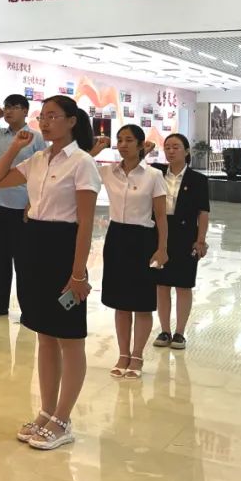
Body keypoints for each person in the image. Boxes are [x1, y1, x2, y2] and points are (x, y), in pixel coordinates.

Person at [0, 95, 101, 450]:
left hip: (64, 248)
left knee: (70, 337)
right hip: (33, 245)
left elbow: (85, 223)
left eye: (53, 116)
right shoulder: (37, 159)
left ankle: (63, 419)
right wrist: (14, 148)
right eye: (43, 117)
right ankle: (47, 411)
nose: (46, 122)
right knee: (45, 335)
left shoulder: (82, 163)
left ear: (72, 121)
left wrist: (78, 273)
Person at [89, 125, 168, 380]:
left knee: (142, 304)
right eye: (120, 140)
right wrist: (95, 150)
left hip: (144, 239)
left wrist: (162, 248)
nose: (123, 145)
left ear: (140, 144)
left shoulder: (153, 175)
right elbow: (79, 167)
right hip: (116, 237)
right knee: (121, 303)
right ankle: (123, 354)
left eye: (129, 140)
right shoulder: (108, 171)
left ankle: (137, 355)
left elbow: (161, 216)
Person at [0, 94, 47, 317]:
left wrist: (32, 202)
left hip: (23, 208)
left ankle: (28, 307)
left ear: (25, 111)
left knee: (24, 261)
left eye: (14, 107)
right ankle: (0, 304)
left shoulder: (36, 138)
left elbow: (41, 174)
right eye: (6, 107)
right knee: (1, 259)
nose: (8, 111)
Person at [150, 134, 210, 351]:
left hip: (185, 236)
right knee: (162, 284)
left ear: (186, 151)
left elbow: (203, 212)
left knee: (183, 285)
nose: (171, 151)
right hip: (159, 233)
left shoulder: (198, 179)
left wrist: (200, 240)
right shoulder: (156, 173)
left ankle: (180, 333)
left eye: (176, 147)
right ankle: (165, 330)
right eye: (167, 147)